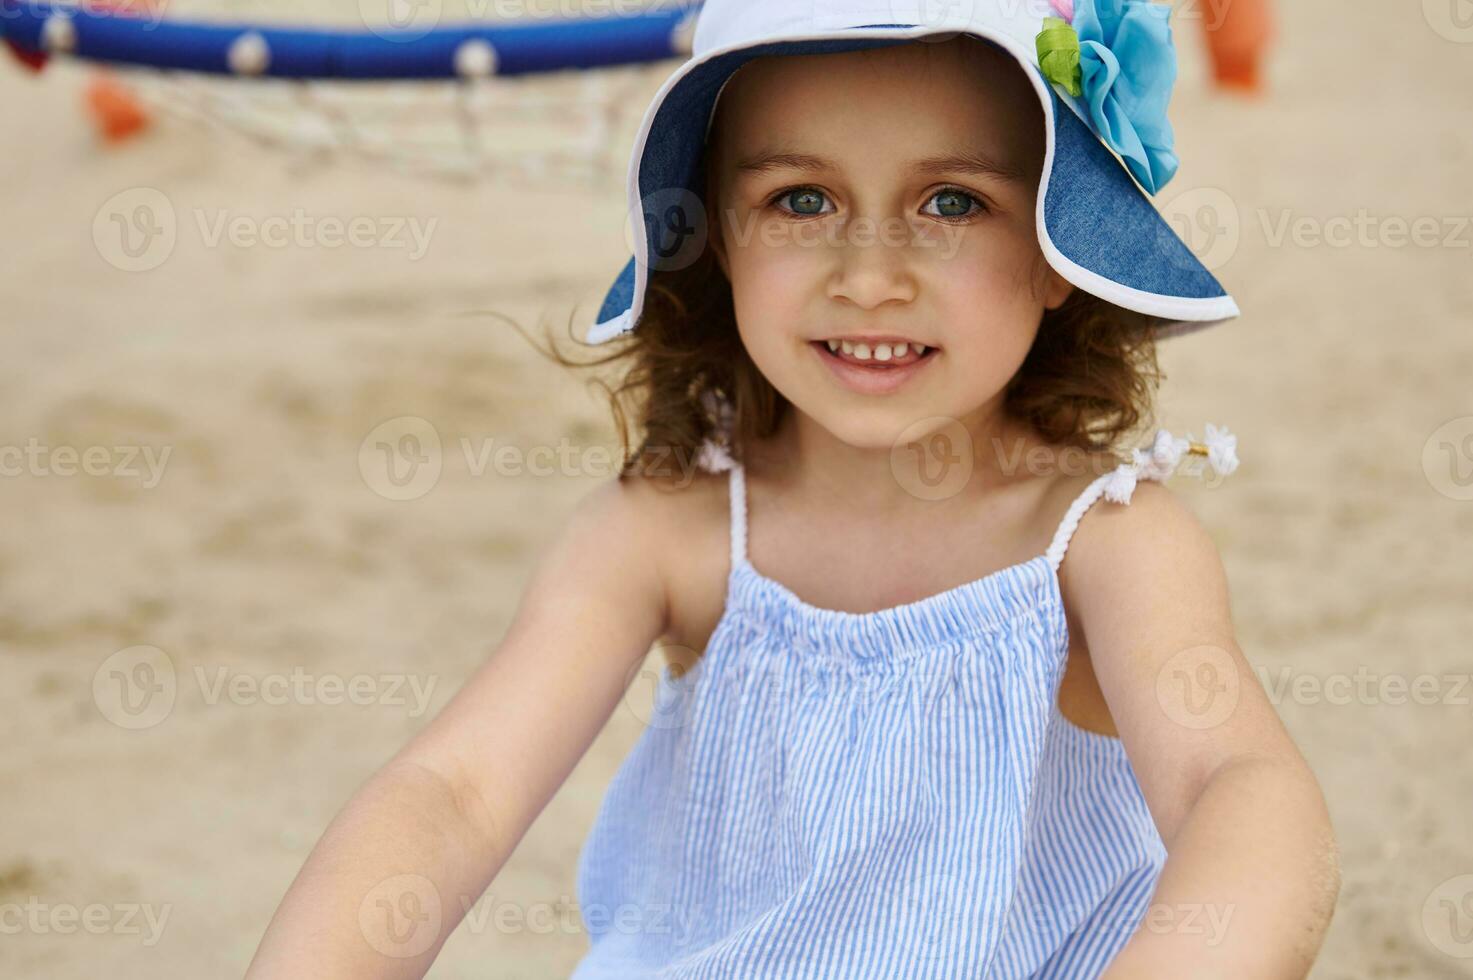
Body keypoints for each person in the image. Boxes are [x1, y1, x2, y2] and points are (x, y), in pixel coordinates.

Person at [247, 2, 1339, 977]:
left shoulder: (1103, 542)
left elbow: (1240, 789)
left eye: (953, 201)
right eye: (802, 197)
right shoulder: (669, 531)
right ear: (718, 236)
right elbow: (454, 794)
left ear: (1059, 245)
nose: (869, 274)